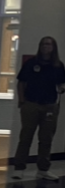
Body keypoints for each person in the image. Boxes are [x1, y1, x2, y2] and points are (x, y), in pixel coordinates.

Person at [14, 35, 65, 180]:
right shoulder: (32, 63)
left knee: (46, 139)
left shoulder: (58, 65)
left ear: (53, 47)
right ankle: (19, 168)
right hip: (31, 104)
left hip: (50, 106)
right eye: (43, 44)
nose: (45, 46)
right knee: (26, 137)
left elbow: (61, 83)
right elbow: (21, 83)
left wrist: (62, 88)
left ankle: (43, 169)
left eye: (48, 44)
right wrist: (22, 101)